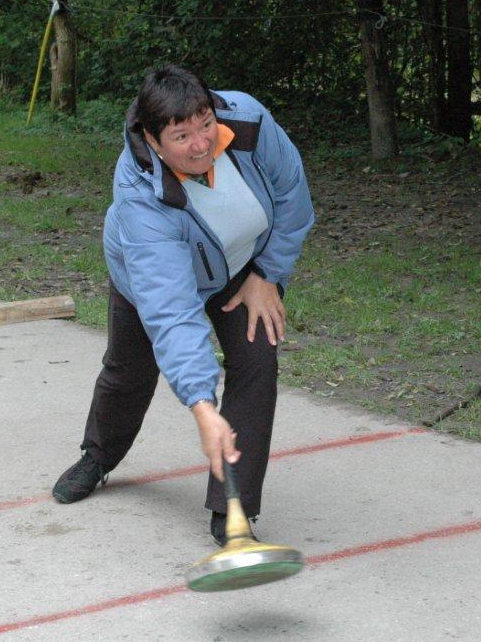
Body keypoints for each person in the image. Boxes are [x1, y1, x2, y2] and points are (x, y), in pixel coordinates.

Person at [52, 65, 314, 546]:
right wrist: (201, 405)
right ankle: (99, 456)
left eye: (206, 125)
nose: (201, 144)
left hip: (243, 268)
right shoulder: (139, 196)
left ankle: (232, 510)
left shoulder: (249, 121)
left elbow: (292, 195)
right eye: (181, 136)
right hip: (154, 279)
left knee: (258, 360)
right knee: (129, 372)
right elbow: (172, 311)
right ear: (153, 140)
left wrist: (267, 275)